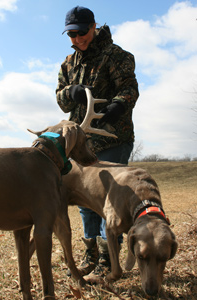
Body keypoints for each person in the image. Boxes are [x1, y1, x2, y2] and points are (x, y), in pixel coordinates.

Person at [56, 6, 139, 281]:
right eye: (71, 34)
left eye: (81, 32)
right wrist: (71, 91)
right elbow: (60, 98)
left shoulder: (117, 56)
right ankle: (91, 254)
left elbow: (130, 88)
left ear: (93, 26)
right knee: (83, 200)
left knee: (108, 202)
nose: (77, 38)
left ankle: (109, 262)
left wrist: (119, 104)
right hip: (82, 145)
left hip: (113, 139)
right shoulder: (68, 64)